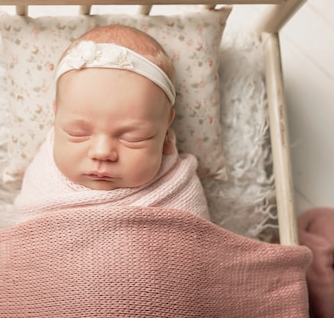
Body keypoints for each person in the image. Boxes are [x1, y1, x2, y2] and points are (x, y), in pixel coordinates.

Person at [14, 25, 210, 222]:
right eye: (77, 132)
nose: (102, 153)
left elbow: (198, 246)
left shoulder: (178, 189)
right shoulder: (42, 181)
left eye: (132, 137)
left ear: (166, 128)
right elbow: (24, 242)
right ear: (55, 118)